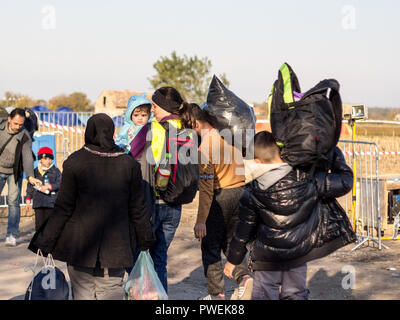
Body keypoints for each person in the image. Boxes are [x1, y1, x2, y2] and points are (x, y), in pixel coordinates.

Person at [28, 113, 155, 300]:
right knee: (111, 290)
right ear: (112, 133)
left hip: (80, 245)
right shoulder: (129, 164)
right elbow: (138, 208)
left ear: (88, 132)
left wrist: (45, 240)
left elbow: (63, 208)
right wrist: (145, 239)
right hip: (116, 246)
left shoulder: (75, 162)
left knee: (82, 293)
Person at [224, 131, 357, 300]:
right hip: (297, 255)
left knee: (264, 295)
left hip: (266, 259)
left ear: (257, 161)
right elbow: (345, 181)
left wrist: (232, 261)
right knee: (295, 294)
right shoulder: (309, 179)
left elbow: (243, 231)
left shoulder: (252, 191)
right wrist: (332, 150)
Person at [129, 86, 197, 294]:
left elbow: (131, 158)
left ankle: (143, 297)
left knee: (139, 258)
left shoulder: (153, 130)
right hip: (176, 205)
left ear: (165, 107)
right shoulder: (189, 131)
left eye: (155, 106)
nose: (152, 111)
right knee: (159, 260)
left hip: (153, 203)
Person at [191, 105, 253, 300]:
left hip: (220, 197)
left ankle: (216, 294)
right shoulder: (231, 139)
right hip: (240, 192)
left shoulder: (204, 148)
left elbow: (207, 190)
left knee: (210, 247)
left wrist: (201, 220)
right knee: (231, 242)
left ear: (197, 123)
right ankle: (244, 279)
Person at [0, 108, 42, 247]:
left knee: (13, 202)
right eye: (16, 123)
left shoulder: (24, 135)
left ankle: (11, 235)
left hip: (14, 171)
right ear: (9, 119)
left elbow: (27, 156)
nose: (18, 127)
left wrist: (30, 176)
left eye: (21, 124)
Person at [25, 147, 62, 231]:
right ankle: (39, 243)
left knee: (50, 226)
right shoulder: (34, 172)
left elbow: (60, 183)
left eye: (50, 159)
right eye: (45, 158)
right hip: (38, 204)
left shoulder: (56, 171)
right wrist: (28, 200)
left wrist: (50, 186)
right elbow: (30, 187)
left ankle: (50, 243)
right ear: (40, 160)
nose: (48, 161)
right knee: (39, 226)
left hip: (51, 203)